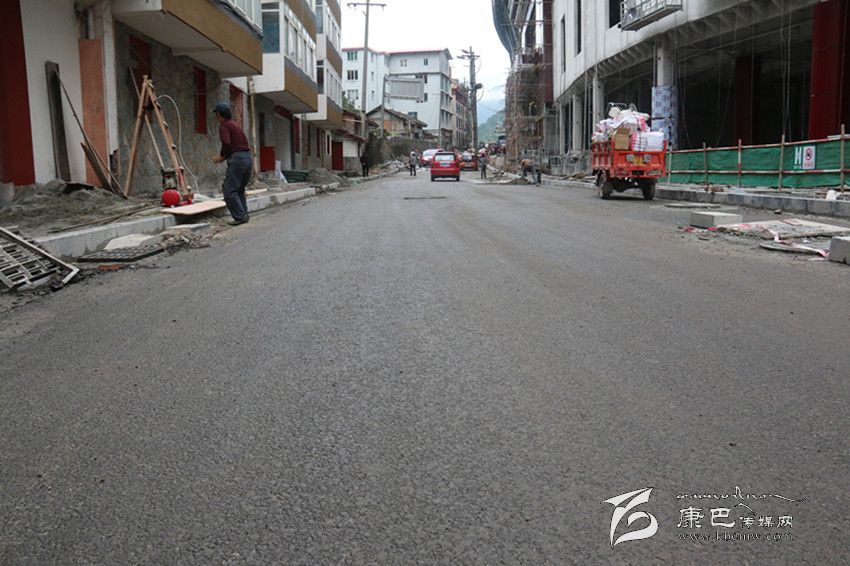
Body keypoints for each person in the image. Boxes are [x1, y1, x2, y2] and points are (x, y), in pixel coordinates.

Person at [211, 102, 251, 225]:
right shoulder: (235, 125)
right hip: (247, 158)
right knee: (239, 189)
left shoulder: (224, 126)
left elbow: (226, 142)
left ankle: (240, 217)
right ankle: (244, 214)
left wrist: (222, 156)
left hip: (237, 160)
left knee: (229, 191)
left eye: (216, 114)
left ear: (219, 114)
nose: (215, 116)